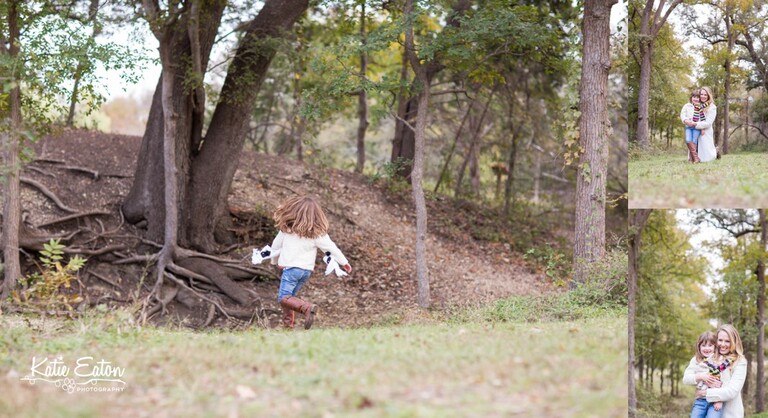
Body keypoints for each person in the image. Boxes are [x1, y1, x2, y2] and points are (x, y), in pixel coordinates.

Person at [269, 195, 352, 330]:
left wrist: (274, 261)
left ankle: (307, 308)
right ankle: (287, 326)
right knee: (290, 299)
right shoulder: (317, 234)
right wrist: (344, 262)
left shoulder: (286, 230)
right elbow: (331, 248)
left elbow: (275, 247)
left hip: (291, 270)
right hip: (305, 272)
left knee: (283, 298)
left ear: (293, 211)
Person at [683, 324, 747, 418]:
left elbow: (732, 391)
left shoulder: (739, 361)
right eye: (720, 340)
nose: (723, 344)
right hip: (705, 410)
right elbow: (692, 376)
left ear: (734, 342)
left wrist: (704, 393)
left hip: (728, 413)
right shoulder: (711, 358)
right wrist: (702, 378)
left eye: (727, 341)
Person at [687, 331, 725, 418]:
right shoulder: (695, 360)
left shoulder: (720, 360)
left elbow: (725, 381)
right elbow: (686, 378)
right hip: (700, 400)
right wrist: (701, 377)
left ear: (715, 346)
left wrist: (720, 399)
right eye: (703, 345)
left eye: (710, 345)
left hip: (715, 400)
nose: (707, 348)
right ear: (699, 347)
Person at [684, 87, 718, 162]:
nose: (703, 96)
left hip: (704, 131)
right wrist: (687, 120)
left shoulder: (712, 107)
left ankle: (715, 152)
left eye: (705, 95)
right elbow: (688, 115)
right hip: (694, 128)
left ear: (708, 96)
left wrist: (695, 124)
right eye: (701, 94)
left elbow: (708, 123)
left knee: (706, 158)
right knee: (691, 140)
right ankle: (693, 157)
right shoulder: (695, 105)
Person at [680, 89, 706, 163]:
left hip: (696, 127)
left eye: (697, 97)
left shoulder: (700, 107)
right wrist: (685, 120)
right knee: (688, 140)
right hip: (688, 127)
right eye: (694, 97)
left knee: (694, 141)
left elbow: (702, 118)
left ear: (699, 99)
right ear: (691, 97)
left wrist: (702, 128)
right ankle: (696, 158)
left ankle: (692, 159)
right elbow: (682, 114)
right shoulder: (687, 106)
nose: (695, 99)